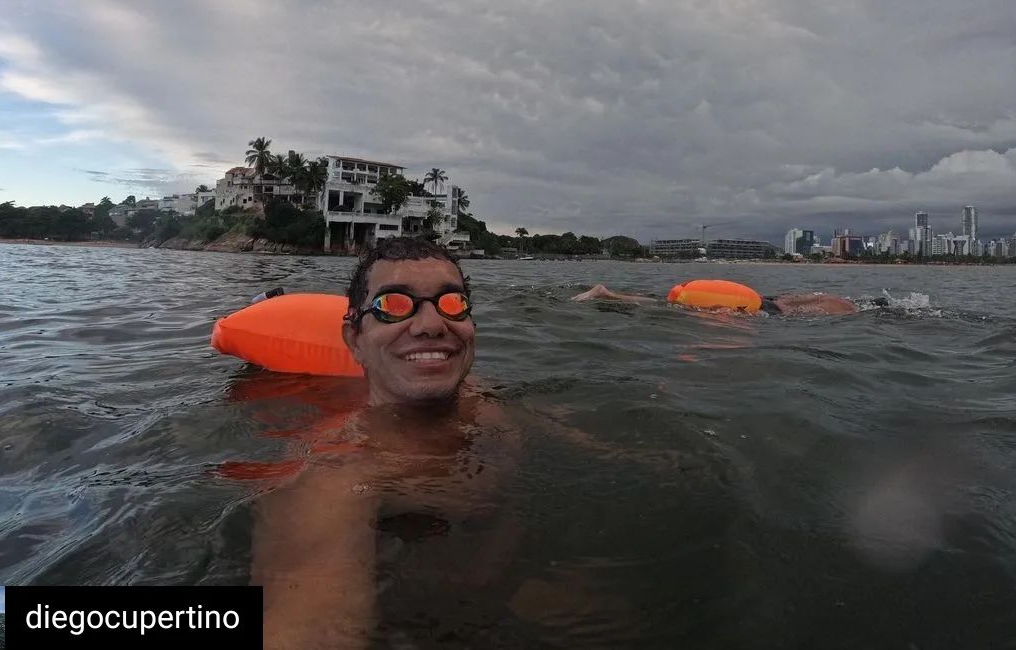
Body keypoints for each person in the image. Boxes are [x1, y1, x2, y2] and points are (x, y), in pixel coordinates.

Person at [251, 238, 520, 649]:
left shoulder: (483, 398)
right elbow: (309, 629)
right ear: (354, 339)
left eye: (452, 303)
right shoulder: (336, 473)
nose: (432, 325)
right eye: (395, 304)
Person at [571, 283, 863, 315]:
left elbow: (795, 300)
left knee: (670, 304)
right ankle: (607, 295)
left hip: (765, 300)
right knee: (672, 307)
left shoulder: (832, 298)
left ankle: (608, 294)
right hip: (765, 310)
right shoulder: (846, 309)